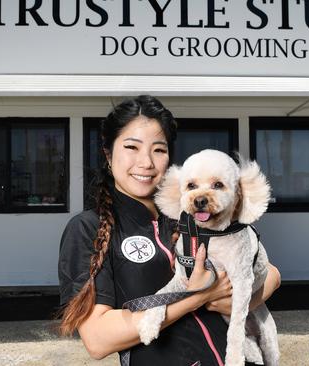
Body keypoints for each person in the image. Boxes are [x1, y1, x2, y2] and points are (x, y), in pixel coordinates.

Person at [58, 95, 281, 365]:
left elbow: (270, 274)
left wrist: (235, 302)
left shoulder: (192, 214)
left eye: (159, 150)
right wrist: (198, 296)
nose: (146, 162)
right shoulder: (88, 228)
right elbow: (98, 338)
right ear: (108, 153)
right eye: (132, 147)